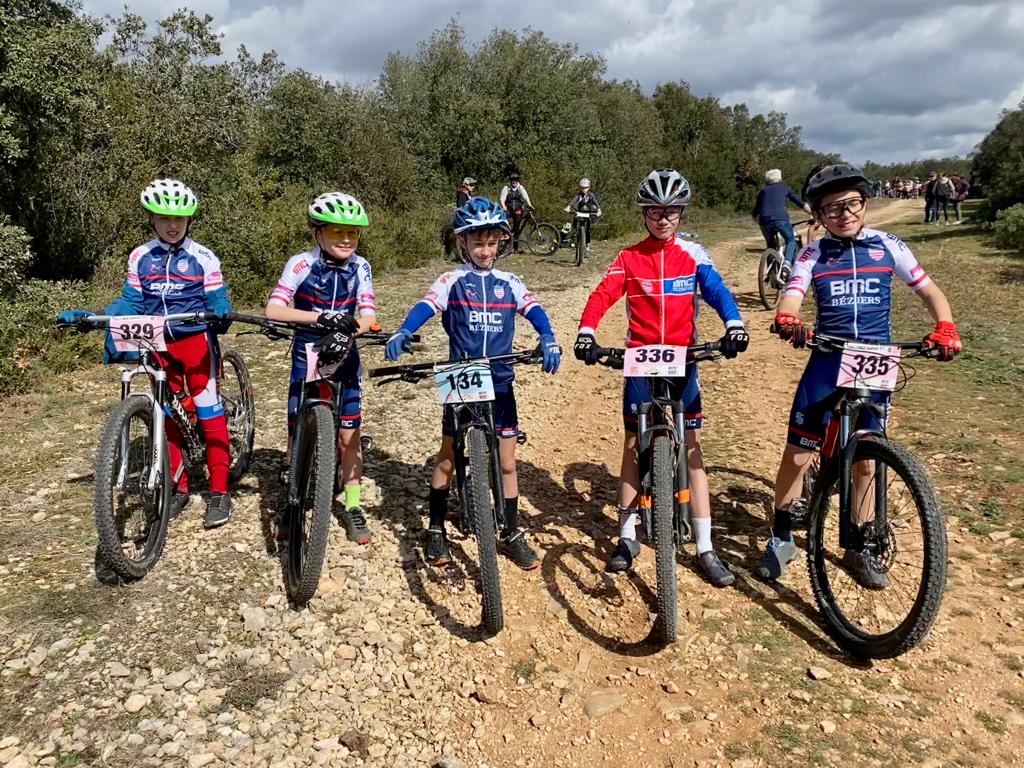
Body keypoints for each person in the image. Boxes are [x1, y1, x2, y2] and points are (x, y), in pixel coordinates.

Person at [760, 164, 961, 586]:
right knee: (799, 452)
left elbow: (929, 290)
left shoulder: (888, 245)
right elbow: (793, 292)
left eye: (852, 204)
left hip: (876, 358)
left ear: (864, 203)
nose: (844, 214)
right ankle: (780, 532)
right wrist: (788, 317)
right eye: (832, 209)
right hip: (829, 357)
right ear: (819, 215)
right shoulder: (813, 252)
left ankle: (859, 543)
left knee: (868, 461)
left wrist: (945, 325)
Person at [573, 169, 750, 587]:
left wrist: (734, 323)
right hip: (639, 359)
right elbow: (602, 294)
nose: (663, 219)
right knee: (634, 443)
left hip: (683, 358)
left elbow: (718, 291)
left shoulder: (694, 254)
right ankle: (626, 535)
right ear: (645, 214)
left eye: (671, 212)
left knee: (692, 447)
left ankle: (706, 546)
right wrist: (586, 331)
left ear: (681, 213)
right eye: (655, 211)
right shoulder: (629, 257)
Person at [385, 197, 561, 569]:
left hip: (500, 377)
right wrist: (405, 329)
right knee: (448, 456)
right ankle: (435, 528)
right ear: (462, 243)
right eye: (477, 242)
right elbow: (426, 306)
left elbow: (535, 310)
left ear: (501, 242)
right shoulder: (451, 280)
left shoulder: (510, 282)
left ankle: (511, 530)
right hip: (460, 374)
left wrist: (547, 337)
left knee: (508, 461)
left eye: (492, 242)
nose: (485, 250)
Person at [57, 179, 234, 529]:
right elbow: (131, 301)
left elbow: (216, 295)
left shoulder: (203, 257)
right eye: (164, 218)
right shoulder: (141, 256)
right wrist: (94, 315)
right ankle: (178, 487)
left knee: (208, 411)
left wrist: (220, 307)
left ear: (189, 222)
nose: (172, 226)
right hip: (155, 343)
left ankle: (219, 491)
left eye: (179, 220)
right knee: (164, 414)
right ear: (151, 219)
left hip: (194, 341)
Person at [265, 192, 377, 545]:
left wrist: (350, 330)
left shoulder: (361, 266)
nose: (346, 240)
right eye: (336, 232)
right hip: (306, 353)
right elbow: (274, 309)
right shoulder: (300, 263)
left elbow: (369, 315)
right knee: (298, 432)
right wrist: (320, 317)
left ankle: (353, 506)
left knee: (349, 436)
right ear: (317, 233)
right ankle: (292, 501)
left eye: (353, 233)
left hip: (345, 354)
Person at [751, 169, 813, 277]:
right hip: (781, 219)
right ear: (780, 178)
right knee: (790, 239)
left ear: (767, 181)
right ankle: (787, 264)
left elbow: (755, 213)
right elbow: (801, 204)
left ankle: (771, 274)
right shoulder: (785, 189)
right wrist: (815, 215)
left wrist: (762, 224)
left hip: (765, 221)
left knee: (770, 245)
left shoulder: (763, 191)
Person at [564, 177, 603, 250]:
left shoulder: (591, 195)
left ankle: (587, 244)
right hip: (579, 212)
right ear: (580, 188)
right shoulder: (579, 195)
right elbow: (573, 200)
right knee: (574, 226)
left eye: (585, 188)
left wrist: (599, 210)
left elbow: (595, 202)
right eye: (582, 188)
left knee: (587, 229)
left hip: (587, 213)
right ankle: (574, 239)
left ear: (589, 187)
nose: (584, 189)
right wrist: (568, 207)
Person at [499, 173, 533, 253]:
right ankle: (506, 236)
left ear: (518, 180)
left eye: (516, 179)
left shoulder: (520, 188)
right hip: (509, 209)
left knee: (517, 228)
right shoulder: (506, 188)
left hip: (518, 209)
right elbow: (502, 199)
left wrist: (530, 205)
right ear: (510, 180)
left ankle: (515, 248)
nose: (514, 181)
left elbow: (525, 196)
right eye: (512, 179)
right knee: (503, 223)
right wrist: (504, 207)